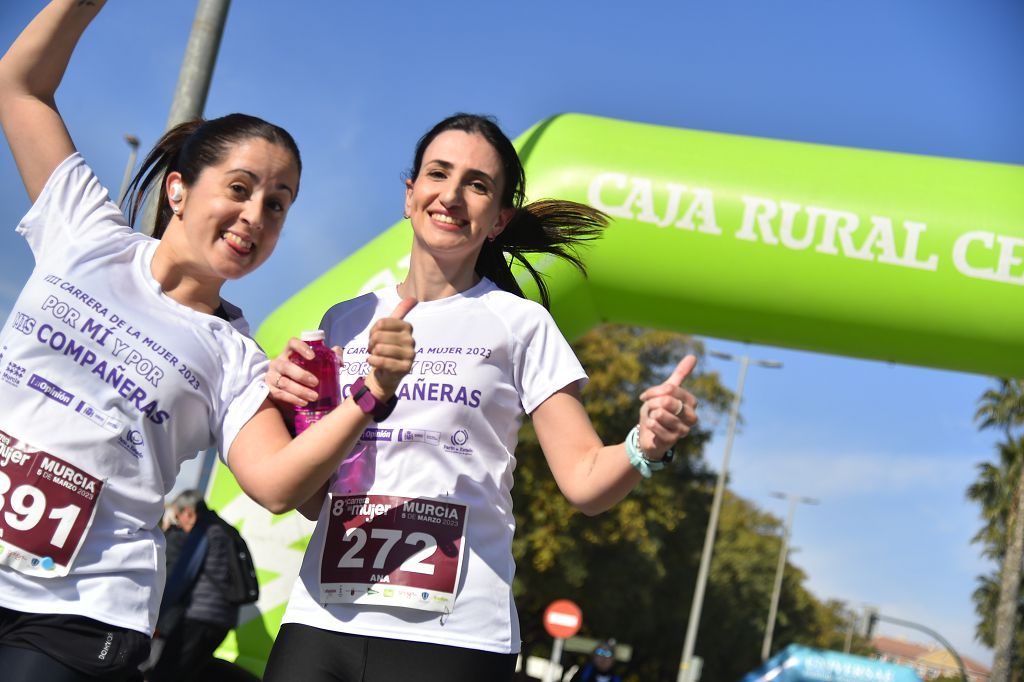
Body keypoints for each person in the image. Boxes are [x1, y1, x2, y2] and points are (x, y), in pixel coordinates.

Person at [0, 2, 415, 680]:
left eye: (277, 204)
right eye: (242, 188)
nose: (256, 215)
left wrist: (370, 394)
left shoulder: (239, 362)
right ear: (179, 189)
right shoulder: (86, 234)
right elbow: (20, 86)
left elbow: (281, 487)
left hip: (82, 609)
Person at [261, 113, 700, 682]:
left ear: (498, 219)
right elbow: (314, 494)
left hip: (456, 637)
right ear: (410, 194)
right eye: (438, 174)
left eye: (477, 184)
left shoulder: (521, 324)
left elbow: (586, 480)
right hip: (324, 621)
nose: (451, 194)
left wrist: (647, 443)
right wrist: (287, 402)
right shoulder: (343, 321)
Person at [145, 490, 238, 682]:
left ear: (188, 512)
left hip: (198, 618)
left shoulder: (204, 529)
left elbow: (182, 576)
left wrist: (158, 618)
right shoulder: (225, 529)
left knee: (163, 675)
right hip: (223, 620)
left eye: (179, 517)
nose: (181, 524)